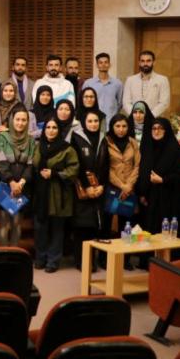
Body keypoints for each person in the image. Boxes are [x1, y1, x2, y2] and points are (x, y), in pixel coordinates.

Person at [32, 117, 79, 273]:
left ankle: (53, 260)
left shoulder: (67, 149)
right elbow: (33, 166)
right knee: (40, 228)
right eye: (48, 127)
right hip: (40, 194)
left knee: (57, 230)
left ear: (59, 131)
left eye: (54, 128)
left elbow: (74, 170)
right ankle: (40, 257)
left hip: (59, 195)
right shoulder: (38, 146)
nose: (51, 131)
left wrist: (55, 173)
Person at [137, 118, 180, 238]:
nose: (157, 131)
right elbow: (142, 172)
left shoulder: (177, 151)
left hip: (170, 201)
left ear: (167, 131)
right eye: (154, 128)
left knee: (167, 235)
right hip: (151, 199)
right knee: (150, 234)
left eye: (160, 128)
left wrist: (163, 180)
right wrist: (142, 193)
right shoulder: (148, 149)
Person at [100, 114, 141, 261]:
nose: (121, 129)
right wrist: (121, 185)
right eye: (117, 126)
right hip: (112, 188)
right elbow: (105, 166)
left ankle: (125, 259)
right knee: (106, 225)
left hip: (129, 189)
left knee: (126, 225)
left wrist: (129, 185)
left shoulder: (133, 143)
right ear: (112, 127)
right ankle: (104, 258)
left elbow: (137, 165)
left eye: (124, 126)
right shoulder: (106, 141)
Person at [70, 111, 107, 270]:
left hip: (98, 189)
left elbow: (106, 165)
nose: (93, 124)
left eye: (96, 121)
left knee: (94, 226)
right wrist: (87, 186)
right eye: (90, 121)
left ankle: (92, 261)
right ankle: (81, 262)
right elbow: (75, 164)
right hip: (82, 189)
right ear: (84, 122)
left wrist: (102, 185)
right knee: (82, 227)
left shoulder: (103, 138)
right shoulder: (76, 137)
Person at [0, 105, 36, 248]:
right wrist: (11, 182)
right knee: (4, 223)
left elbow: (30, 164)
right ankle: (3, 255)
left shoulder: (31, 140)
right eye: (17, 119)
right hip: (5, 185)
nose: (20, 123)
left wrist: (20, 184)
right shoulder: (2, 137)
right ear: (12, 120)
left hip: (22, 186)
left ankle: (14, 254)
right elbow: (1, 163)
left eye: (24, 120)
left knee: (17, 223)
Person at [122, 50, 171, 117]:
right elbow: (126, 102)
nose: (145, 64)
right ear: (139, 63)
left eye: (148, 61)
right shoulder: (130, 80)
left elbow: (164, 103)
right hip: (134, 119)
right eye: (142, 61)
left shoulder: (162, 80)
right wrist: (136, 115)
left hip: (155, 119)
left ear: (154, 62)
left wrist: (150, 116)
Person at [82, 52, 123, 128]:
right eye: (100, 63)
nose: (103, 65)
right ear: (97, 65)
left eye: (106, 62)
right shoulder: (88, 83)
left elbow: (119, 103)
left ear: (109, 64)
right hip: (93, 123)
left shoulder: (118, 84)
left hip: (111, 123)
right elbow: (83, 103)